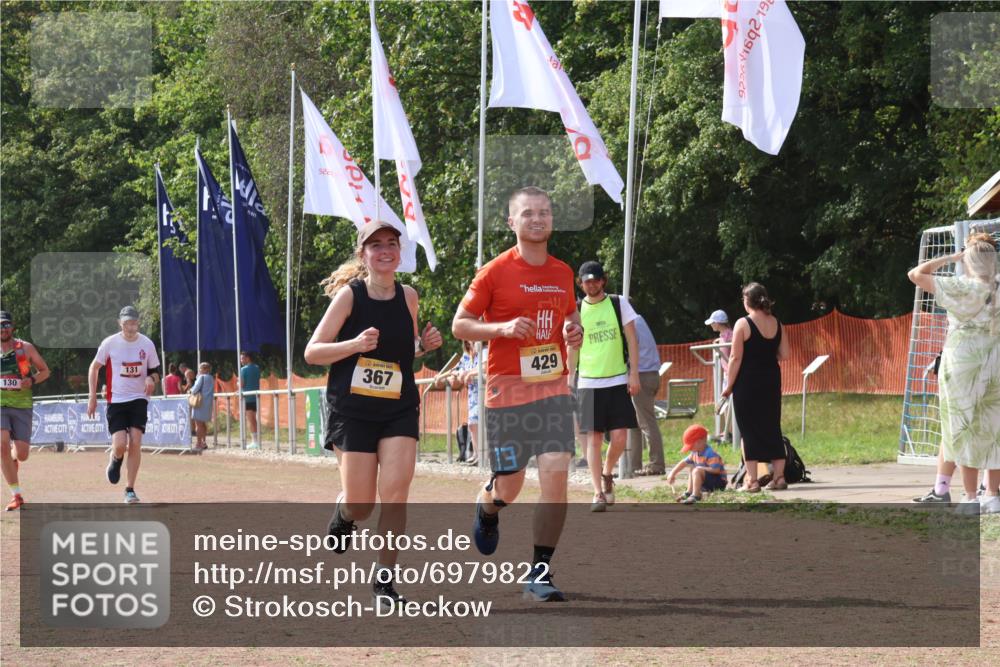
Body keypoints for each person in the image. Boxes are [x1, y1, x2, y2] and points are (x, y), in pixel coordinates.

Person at [452, 186, 584, 602]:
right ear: (512, 221)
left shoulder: (562, 272)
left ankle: (539, 573)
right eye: (528, 213)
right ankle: (487, 506)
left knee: (556, 474)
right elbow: (460, 324)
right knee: (509, 486)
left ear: (552, 219)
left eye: (544, 212)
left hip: (553, 390)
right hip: (507, 392)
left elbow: (570, 314)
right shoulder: (494, 272)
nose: (537, 219)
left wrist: (574, 329)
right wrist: (502, 329)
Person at [304, 220, 442, 609]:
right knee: (362, 504)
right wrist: (353, 344)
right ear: (363, 255)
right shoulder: (350, 297)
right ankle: (345, 511)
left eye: (391, 243)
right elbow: (312, 352)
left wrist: (423, 346)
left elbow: (400, 352)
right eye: (376, 245)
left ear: (400, 251)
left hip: (398, 407)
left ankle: (384, 583)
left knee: (395, 496)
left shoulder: (409, 296)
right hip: (353, 412)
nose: (385, 250)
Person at [908, 232, 1000, 514]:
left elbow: (915, 274)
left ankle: (970, 497)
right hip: (994, 358)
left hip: (962, 360)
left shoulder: (960, 286)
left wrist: (951, 257)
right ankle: (992, 495)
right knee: (993, 426)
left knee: (960, 426)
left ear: (968, 260)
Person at [568, 260, 639, 512]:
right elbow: (572, 347)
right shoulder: (576, 310)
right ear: (580, 283)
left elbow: (632, 339)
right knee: (594, 439)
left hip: (617, 379)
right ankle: (597, 492)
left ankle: (608, 473)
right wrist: (569, 378)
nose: (591, 284)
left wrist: (634, 373)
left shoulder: (619, 303)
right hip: (588, 382)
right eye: (587, 281)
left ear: (603, 280)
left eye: (595, 280)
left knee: (620, 437)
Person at [87, 306, 161, 504]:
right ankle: (116, 457)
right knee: (120, 445)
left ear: (138, 323)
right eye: (127, 323)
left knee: (136, 441)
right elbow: (94, 368)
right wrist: (92, 396)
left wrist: (151, 379)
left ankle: (130, 489)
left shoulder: (147, 344)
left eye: (134, 322)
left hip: (139, 398)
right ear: (120, 323)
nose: (131, 326)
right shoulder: (110, 343)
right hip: (116, 400)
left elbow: (155, 372)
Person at [720, 283, 789, 493]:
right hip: (771, 380)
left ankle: (752, 480)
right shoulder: (777, 322)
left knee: (748, 429)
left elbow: (735, 357)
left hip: (747, 381)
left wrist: (728, 386)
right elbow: (784, 354)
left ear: (747, 301)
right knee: (772, 426)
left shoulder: (743, 323)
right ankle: (779, 477)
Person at [0, 310, 50, 511]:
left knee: (22, 455)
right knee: (2, 444)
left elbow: (45, 371)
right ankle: (16, 495)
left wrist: (32, 380)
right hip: (1, 405)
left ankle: (13, 458)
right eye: (0, 325)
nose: (3, 329)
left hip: (22, 405)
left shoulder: (24, 348)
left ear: (12, 327)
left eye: (6, 325)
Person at [627, 312, 666, 476]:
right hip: (649, 374)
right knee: (634, 422)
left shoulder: (629, 323)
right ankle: (633, 466)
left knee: (646, 422)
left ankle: (656, 464)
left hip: (641, 376)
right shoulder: (638, 319)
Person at [666, 424, 728, 504]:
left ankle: (696, 495)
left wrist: (700, 468)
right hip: (706, 481)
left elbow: (716, 470)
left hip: (718, 482)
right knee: (692, 467)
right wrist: (672, 473)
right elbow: (683, 462)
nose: (690, 449)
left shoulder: (710, 453)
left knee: (696, 470)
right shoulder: (694, 453)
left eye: (691, 447)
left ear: (700, 442)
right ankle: (689, 492)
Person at [451, 340, 485, 465]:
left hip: (483, 393)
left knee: (479, 425)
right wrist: (460, 373)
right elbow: (455, 369)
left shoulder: (484, 351)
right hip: (473, 395)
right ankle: (476, 454)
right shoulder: (466, 355)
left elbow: (486, 367)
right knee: (472, 425)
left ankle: (482, 455)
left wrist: (469, 373)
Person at [706, 309, 734, 441]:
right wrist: (718, 340)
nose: (711, 325)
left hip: (731, 373)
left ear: (718, 323)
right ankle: (727, 431)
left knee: (728, 403)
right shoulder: (723, 335)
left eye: (713, 323)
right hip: (726, 374)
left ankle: (731, 432)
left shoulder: (730, 335)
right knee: (725, 404)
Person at [189, 362, 215, 450]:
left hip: (199, 403)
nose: (199, 370)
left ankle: (198, 443)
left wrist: (190, 390)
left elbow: (194, 389)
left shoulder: (201, 377)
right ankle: (204, 442)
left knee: (198, 424)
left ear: (204, 369)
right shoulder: (211, 378)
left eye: (200, 368)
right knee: (203, 424)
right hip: (208, 404)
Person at [239, 351, 261, 449]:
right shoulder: (257, 368)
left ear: (248, 358)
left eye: (242, 358)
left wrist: (238, 383)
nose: (241, 360)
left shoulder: (243, 369)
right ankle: (256, 441)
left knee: (250, 420)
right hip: (256, 397)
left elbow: (242, 384)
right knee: (254, 420)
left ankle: (255, 442)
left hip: (247, 398)